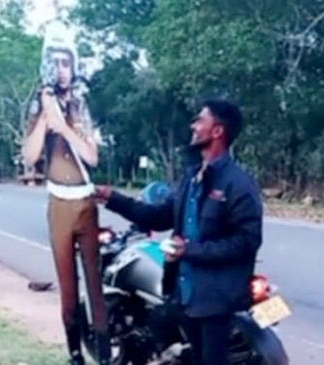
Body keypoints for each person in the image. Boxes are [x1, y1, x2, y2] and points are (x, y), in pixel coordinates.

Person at [96, 100, 263, 365]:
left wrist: (191, 250)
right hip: (186, 296)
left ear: (217, 131)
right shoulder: (192, 178)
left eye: (200, 120)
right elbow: (159, 217)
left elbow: (247, 241)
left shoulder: (239, 184)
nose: (193, 126)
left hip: (216, 301)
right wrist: (112, 198)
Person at [22, 27, 110, 365]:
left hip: (84, 202)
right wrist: (46, 118)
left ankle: (103, 355)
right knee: (68, 291)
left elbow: (92, 156)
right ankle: (75, 355)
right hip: (58, 204)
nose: (61, 69)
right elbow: (30, 156)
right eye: (55, 62)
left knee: (95, 286)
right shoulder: (38, 107)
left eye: (66, 63)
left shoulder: (80, 106)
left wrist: (65, 127)